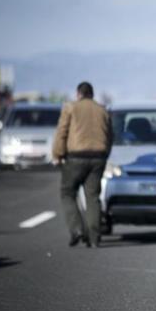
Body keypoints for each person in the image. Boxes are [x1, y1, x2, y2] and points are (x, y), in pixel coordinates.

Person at [52, 82, 112, 247]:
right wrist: (105, 154)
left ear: (78, 94)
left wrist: (57, 154)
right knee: (93, 197)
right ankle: (94, 237)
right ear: (92, 95)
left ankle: (77, 229)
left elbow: (62, 132)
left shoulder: (70, 108)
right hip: (98, 158)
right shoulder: (102, 110)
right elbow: (110, 136)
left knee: (67, 192)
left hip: (76, 157)